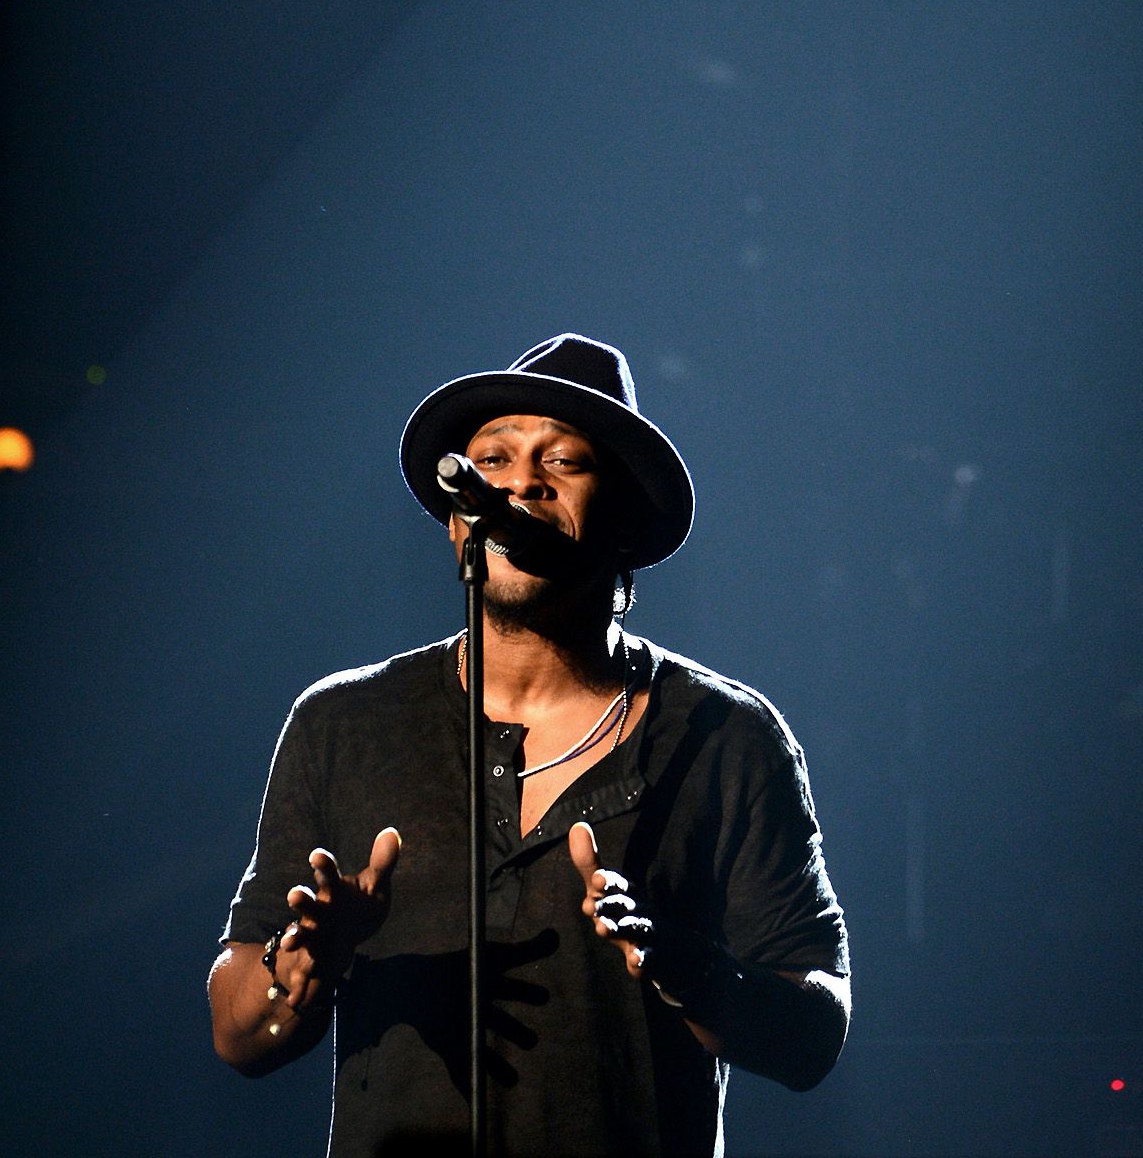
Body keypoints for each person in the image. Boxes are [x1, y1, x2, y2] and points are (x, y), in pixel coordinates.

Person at [209, 334, 850, 1157]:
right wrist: (300, 971)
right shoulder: (344, 723)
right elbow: (236, 1031)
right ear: (456, 520)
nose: (520, 482)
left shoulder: (725, 735)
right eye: (494, 460)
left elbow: (814, 1031)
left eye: (563, 461)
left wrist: (685, 968)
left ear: (622, 517)